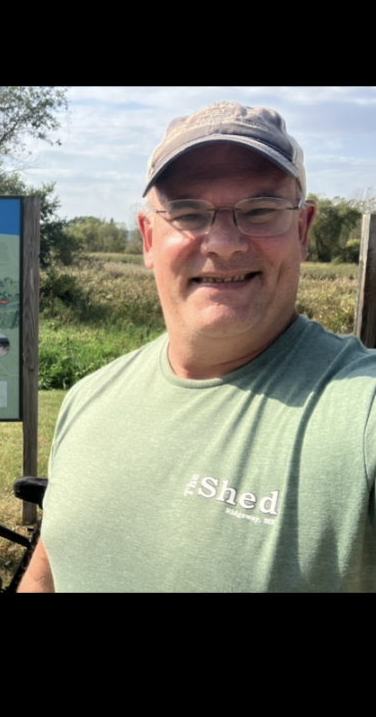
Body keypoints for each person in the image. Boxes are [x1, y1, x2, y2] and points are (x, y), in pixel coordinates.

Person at [19, 101, 376, 593]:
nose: (224, 242)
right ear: (148, 238)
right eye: (188, 213)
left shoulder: (361, 413)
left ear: (302, 229)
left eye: (261, 210)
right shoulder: (88, 399)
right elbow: (50, 569)